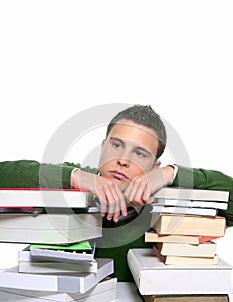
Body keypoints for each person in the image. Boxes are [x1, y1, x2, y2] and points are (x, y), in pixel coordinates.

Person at [0, 105, 233, 280]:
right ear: (103, 148)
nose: (123, 160)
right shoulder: (72, 185)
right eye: (116, 145)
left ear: (154, 167)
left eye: (140, 153)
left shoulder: (168, 202)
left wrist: (171, 174)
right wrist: (76, 177)